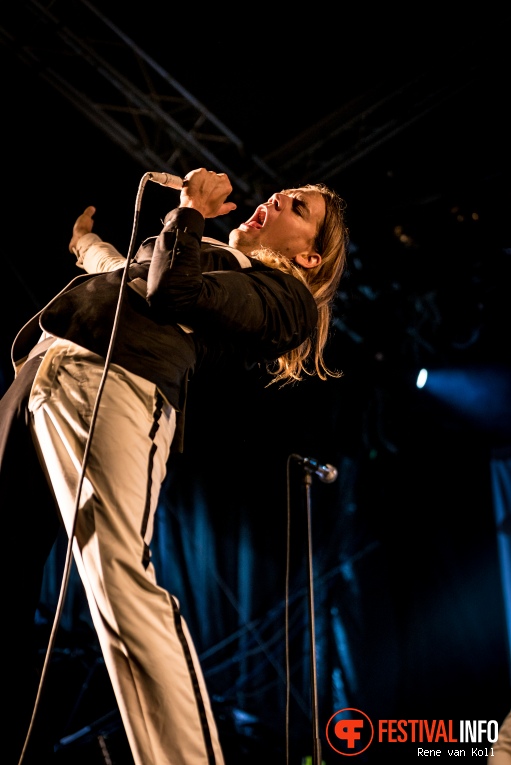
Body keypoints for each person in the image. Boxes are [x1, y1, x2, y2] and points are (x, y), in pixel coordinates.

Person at [1, 167, 348, 765]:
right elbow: (129, 279)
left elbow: (171, 292)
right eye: (281, 191)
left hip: (111, 386)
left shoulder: (281, 297)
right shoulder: (207, 255)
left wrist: (187, 212)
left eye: (296, 206)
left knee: (120, 579)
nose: (274, 197)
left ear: (310, 257)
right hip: (42, 378)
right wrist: (87, 247)